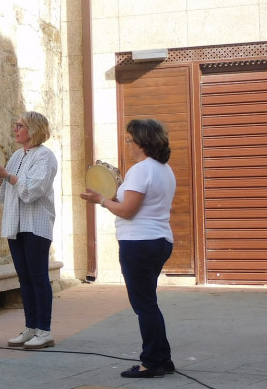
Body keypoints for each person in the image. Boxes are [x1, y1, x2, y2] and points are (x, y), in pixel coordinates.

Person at [80, 118, 176, 378]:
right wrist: (108, 199)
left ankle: (151, 362)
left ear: (142, 142)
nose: (127, 145)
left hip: (139, 243)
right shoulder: (163, 169)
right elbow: (134, 203)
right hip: (159, 240)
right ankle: (163, 358)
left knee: (143, 305)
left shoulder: (141, 169)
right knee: (149, 302)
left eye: (129, 140)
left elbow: (127, 210)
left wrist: (101, 200)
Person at [0, 111, 59, 350]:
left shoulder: (45, 157)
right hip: (15, 224)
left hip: (36, 224)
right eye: (15, 125)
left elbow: (33, 190)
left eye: (19, 125)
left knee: (38, 277)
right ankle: (31, 327)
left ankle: (44, 330)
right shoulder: (16, 155)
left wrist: (7, 176)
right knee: (24, 278)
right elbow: (7, 192)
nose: (15, 129)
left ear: (32, 130)